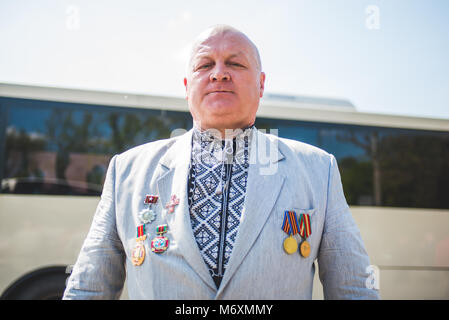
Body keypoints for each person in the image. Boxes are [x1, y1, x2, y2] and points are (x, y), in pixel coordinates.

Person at [63, 25, 380, 300]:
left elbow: (354, 289)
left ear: (261, 84)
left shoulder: (317, 170)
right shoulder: (128, 171)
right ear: (187, 87)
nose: (219, 73)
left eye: (235, 63)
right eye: (204, 65)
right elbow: (89, 289)